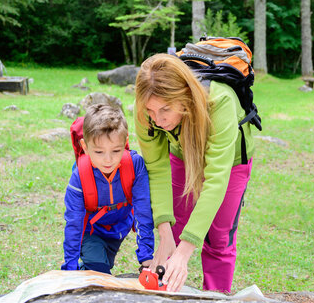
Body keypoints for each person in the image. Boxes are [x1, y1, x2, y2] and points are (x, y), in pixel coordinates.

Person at [134, 53, 254, 293]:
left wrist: (185, 251)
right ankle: (171, 292)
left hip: (231, 162)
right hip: (182, 154)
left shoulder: (220, 101)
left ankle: (216, 296)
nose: (158, 120)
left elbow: (216, 181)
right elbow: (156, 169)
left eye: (165, 109)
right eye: (151, 110)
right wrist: (165, 234)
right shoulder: (145, 111)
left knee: (219, 240)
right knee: (175, 231)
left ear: (184, 98)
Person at [61, 104, 154, 274]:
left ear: (125, 142)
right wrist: (70, 268)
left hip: (119, 230)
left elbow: (143, 212)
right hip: (91, 232)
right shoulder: (80, 175)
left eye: (116, 150)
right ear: (85, 147)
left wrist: (147, 258)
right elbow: (74, 222)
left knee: (103, 265)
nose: (108, 160)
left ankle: (88, 270)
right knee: (100, 272)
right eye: (99, 152)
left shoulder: (135, 166)